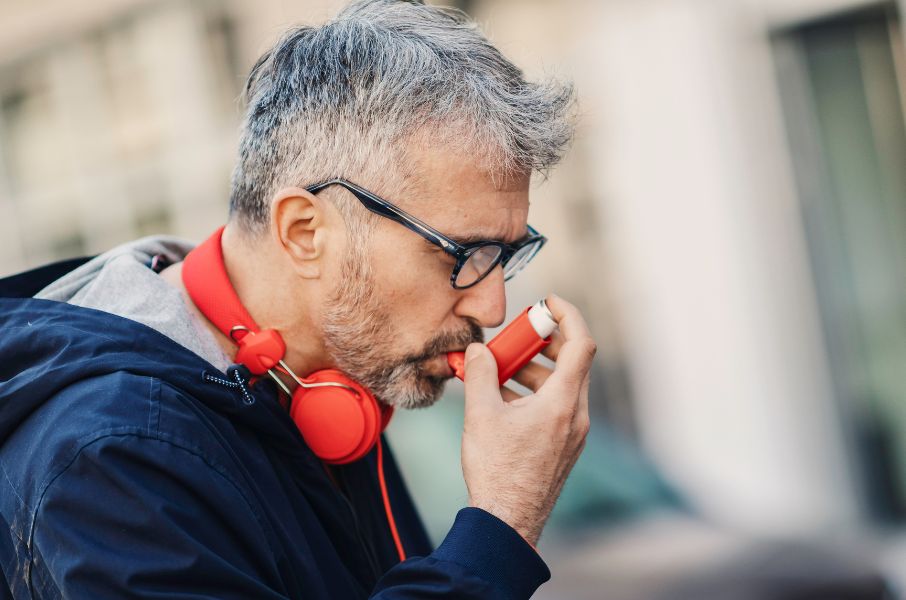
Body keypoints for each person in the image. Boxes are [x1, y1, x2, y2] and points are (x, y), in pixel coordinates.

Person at [0, 0, 594, 598]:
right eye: (460, 254)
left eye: (504, 254)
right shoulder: (112, 457)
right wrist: (501, 524)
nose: (492, 308)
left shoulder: (328, 378)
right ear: (306, 232)